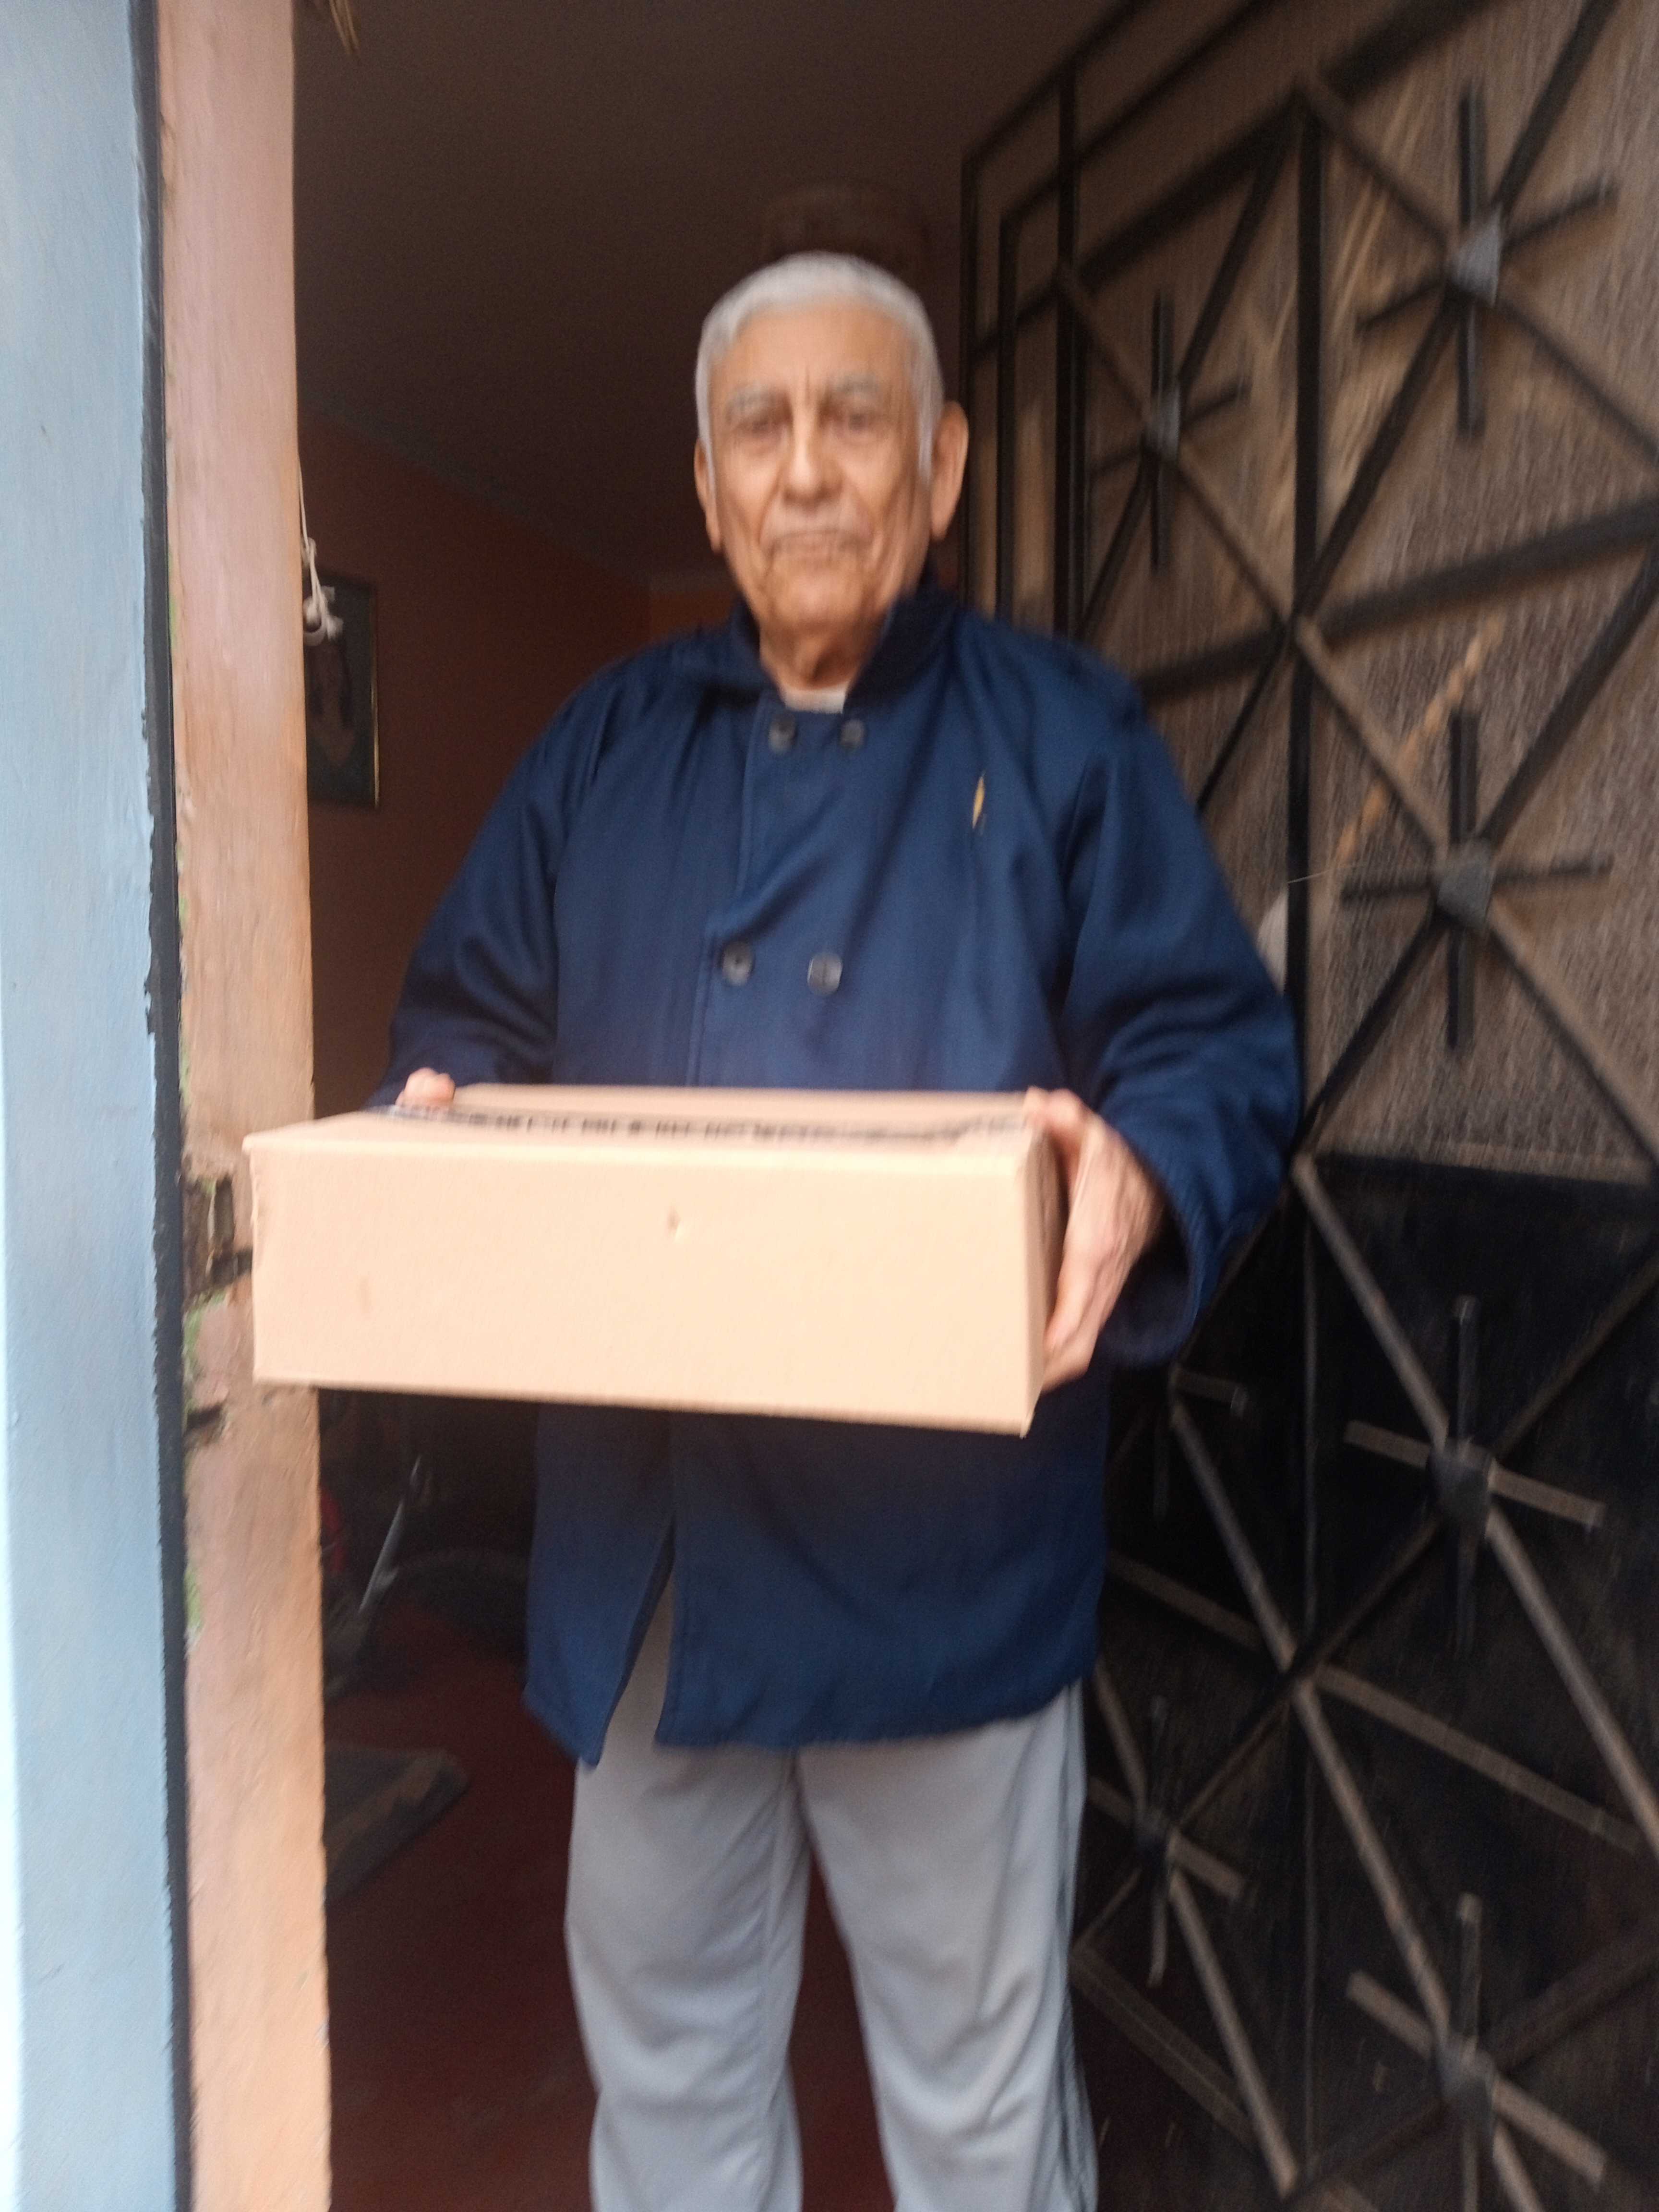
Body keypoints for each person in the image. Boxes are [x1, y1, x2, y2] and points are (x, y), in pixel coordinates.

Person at [377, 252, 1299, 2212]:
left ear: (940, 468)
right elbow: (464, 1020)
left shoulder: (1063, 736)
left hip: (943, 1566)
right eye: (759, 428)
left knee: (977, 2112)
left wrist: (1143, 1168)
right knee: (673, 2081)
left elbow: (1212, 1050)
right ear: (708, 491)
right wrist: (439, 1127)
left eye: (854, 417)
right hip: (655, 1563)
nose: (805, 468)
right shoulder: (602, 749)